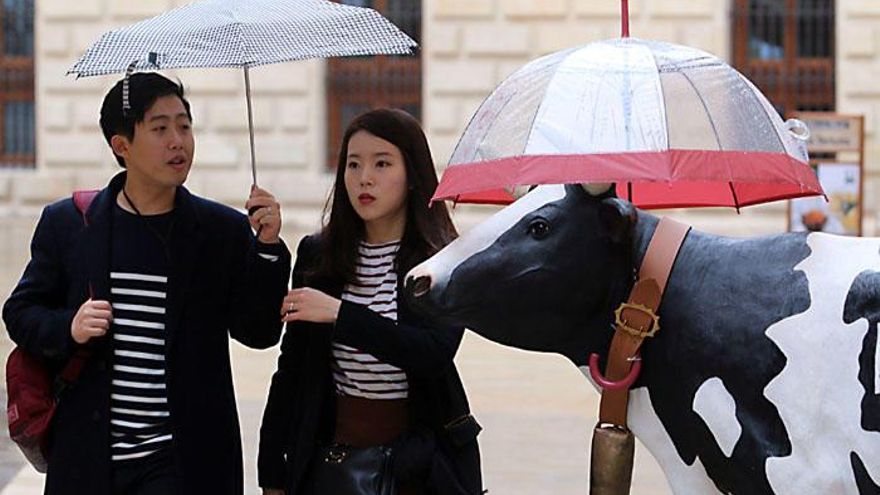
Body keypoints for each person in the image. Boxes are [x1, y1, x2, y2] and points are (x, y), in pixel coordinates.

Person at [2, 72, 291, 495]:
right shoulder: (70, 224)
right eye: (160, 128)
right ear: (122, 146)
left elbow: (258, 332)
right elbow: (21, 313)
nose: (178, 140)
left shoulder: (220, 231)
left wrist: (266, 249)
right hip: (90, 457)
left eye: (185, 125)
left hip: (182, 462)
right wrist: (69, 326)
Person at [258, 109, 483, 495]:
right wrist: (272, 471)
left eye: (382, 164)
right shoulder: (318, 255)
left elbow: (432, 352)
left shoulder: (441, 259)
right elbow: (291, 372)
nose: (365, 178)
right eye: (353, 164)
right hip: (334, 459)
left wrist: (340, 315)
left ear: (412, 175)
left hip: (420, 464)